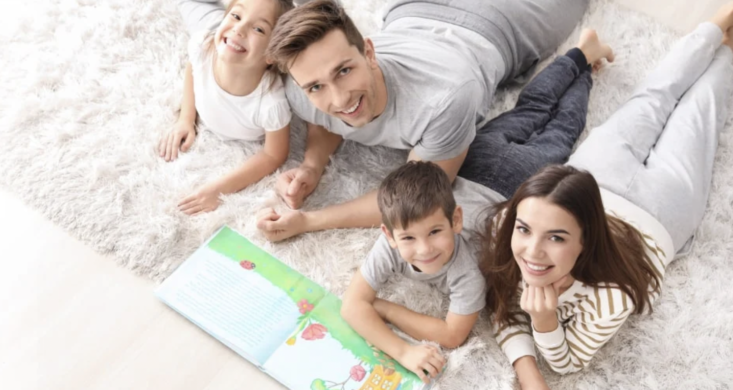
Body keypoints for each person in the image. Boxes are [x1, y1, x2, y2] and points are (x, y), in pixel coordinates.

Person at [481, 6, 733, 389]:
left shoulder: (606, 283)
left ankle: (719, 20)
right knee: (696, 110)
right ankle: (727, 45)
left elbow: (511, 317)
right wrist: (543, 330)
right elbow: (546, 344)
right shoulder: (611, 295)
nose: (531, 251)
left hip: (602, 188)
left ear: (586, 241)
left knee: (658, 96)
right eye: (525, 229)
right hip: (661, 206)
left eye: (556, 238)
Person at [340, 31, 614, 383]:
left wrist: (382, 309)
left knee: (560, 127)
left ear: (456, 221)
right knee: (534, 111)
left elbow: (454, 334)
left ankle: (583, 63)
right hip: (478, 159)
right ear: (389, 234)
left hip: (512, 180)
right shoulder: (393, 239)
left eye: (435, 231)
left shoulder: (465, 270)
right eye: (408, 238)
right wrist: (401, 349)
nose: (424, 249)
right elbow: (351, 306)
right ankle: (581, 56)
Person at [256, 0, 591, 241]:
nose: (339, 99)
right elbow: (325, 121)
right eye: (317, 87)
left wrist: (308, 221)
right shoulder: (301, 89)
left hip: (503, 17)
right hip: (411, 10)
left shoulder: (445, 101)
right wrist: (312, 165)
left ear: (368, 52)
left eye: (344, 71)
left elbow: (411, 200)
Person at [159, 0, 294, 215]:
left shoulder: (271, 104)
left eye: (258, 28)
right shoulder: (203, 46)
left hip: (233, 43)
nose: (239, 29)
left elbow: (274, 155)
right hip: (216, 32)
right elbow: (192, 67)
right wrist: (186, 117)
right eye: (236, 16)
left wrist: (219, 190)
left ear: (272, 54)